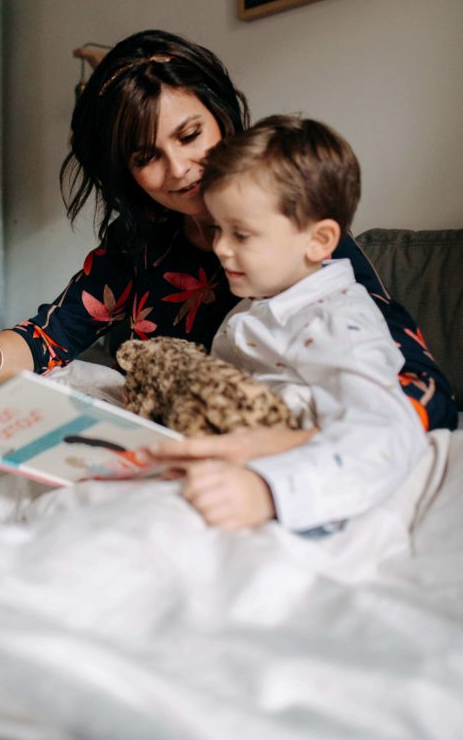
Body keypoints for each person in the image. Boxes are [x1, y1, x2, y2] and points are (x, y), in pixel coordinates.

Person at [0, 30, 456, 445]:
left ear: (223, 116)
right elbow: (43, 340)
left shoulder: (297, 241)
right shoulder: (136, 248)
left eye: (190, 134)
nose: (180, 169)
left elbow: (418, 384)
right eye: (147, 156)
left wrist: (308, 450)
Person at [147, 116, 428, 533]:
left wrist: (266, 492)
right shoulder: (259, 302)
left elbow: (382, 433)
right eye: (219, 229)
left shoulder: (336, 321)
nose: (220, 248)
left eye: (241, 235)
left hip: (298, 490)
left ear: (318, 241)